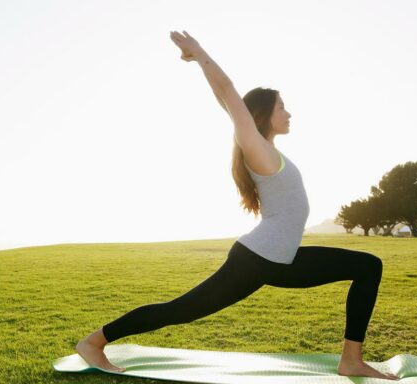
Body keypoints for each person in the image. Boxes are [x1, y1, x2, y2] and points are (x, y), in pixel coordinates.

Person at [75, 30, 399, 381]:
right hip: (258, 258)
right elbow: (228, 93)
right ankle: (94, 342)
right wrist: (198, 54)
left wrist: (202, 65)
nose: (288, 113)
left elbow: (226, 101)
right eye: (281, 107)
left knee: (368, 266)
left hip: (282, 259)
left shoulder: (267, 149)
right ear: (264, 114)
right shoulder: (257, 149)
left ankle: (351, 359)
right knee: (182, 310)